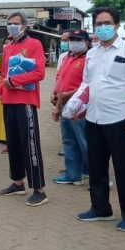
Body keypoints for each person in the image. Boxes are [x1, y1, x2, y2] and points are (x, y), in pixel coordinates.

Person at [77, 7, 125, 232]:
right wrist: (76, 105)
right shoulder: (92, 52)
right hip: (94, 118)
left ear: (117, 25)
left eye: (107, 23)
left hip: (120, 118)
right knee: (97, 167)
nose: (102, 27)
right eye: (98, 24)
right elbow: (86, 84)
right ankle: (100, 209)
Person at [0, 10, 48, 207]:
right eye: (9, 23)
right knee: (13, 144)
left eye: (15, 23)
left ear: (24, 25)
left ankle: (39, 189)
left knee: (30, 145)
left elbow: (39, 72)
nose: (11, 26)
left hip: (26, 102)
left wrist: (13, 81)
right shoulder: (7, 48)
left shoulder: (35, 44)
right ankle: (18, 182)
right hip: (9, 102)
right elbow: (4, 75)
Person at [51, 30, 91, 186]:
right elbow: (61, 79)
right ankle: (73, 174)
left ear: (87, 42)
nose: (74, 42)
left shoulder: (89, 59)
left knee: (86, 143)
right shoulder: (68, 58)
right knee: (69, 141)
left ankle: (99, 177)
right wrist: (55, 95)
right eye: (72, 39)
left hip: (81, 107)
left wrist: (68, 94)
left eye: (78, 40)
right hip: (65, 105)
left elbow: (88, 84)